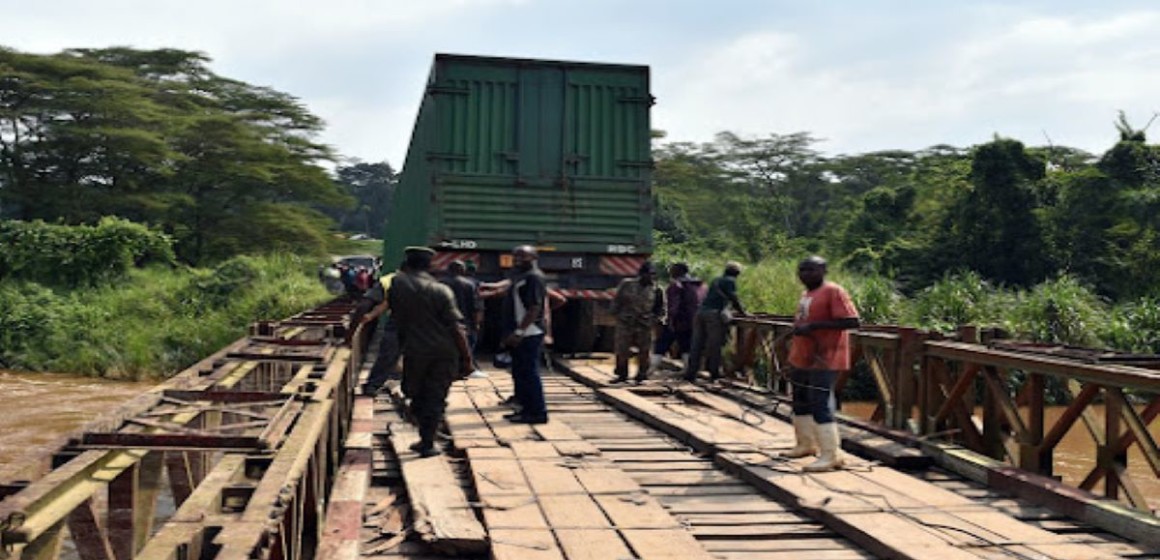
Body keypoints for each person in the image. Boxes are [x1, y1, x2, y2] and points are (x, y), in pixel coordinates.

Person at [389, 247, 474, 457]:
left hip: (414, 351)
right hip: (443, 353)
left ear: (407, 263)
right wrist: (467, 358)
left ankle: (424, 437)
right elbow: (456, 328)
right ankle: (427, 442)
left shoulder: (397, 285)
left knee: (414, 393)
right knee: (435, 397)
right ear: (431, 265)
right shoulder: (441, 291)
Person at [785, 256, 860, 472]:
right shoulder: (806, 294)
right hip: (802, 356)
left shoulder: (833, 291)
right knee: (799, 398)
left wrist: (814, 326)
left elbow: (852, 321)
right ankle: (805, 444)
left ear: (823, 271)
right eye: (802, 270)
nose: (805, 274)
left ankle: (831, 454)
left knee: (819, 402)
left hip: (825, 357)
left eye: (811, 270)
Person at [500, 245, 549, 424]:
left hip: (529, 332)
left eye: (523, 257)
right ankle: (525, 409)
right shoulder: (519, 276)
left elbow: (534, 307)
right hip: (520, 332)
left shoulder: (534, 278)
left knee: (529, 373)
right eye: (515, 256)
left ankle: (537, 412)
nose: (518, 260)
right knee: (520, 372)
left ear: (534, 257)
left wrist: (520, 331)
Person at [684, 261, 747, 382]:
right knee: (715, 344)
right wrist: (743, 312)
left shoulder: (716, 280)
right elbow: (733, 297)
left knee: (697, 343)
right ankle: (714, 373)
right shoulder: (730, 281)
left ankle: (691, 373)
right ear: (737, 273)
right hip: (713, 314)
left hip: (700, 312)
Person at [609, 262, 665, 384]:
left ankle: (642, 374)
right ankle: (622, 374)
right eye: (649, 274)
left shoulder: (657, 289)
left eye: (653, 274)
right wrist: (616, 315)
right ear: (642, 274)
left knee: (644, 351)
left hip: (644, 324)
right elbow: (617, 301)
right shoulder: (627, 284)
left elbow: (660, 308)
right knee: (622, 349)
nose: (651, 277)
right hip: (626, 322)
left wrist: (654, 320)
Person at [355, 263, 403, 396]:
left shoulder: (392, 281)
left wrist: (369, 316)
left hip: (398, 323)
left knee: (388, 355)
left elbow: (384, 303)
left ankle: (373, 385)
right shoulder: (432, 283)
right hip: (423, 326)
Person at [654, 262, 702, 370]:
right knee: (686, 346)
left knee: (661, 345)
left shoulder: (675, 286)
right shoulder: (696, 284)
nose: (670, 272)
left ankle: (650, 370)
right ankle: (688, 371)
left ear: (679, 271)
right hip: (692, 320)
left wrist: (670, 320)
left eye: (672, 270)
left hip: (677, 321)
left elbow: (673, 306)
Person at [441, 260, 486, 377]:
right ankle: (463, 370)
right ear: (462, 270)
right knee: (466, 347)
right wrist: (477, 323)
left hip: (443, 322)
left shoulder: (440, 284)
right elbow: (476, 307)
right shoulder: (469, 285)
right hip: (466, 322)